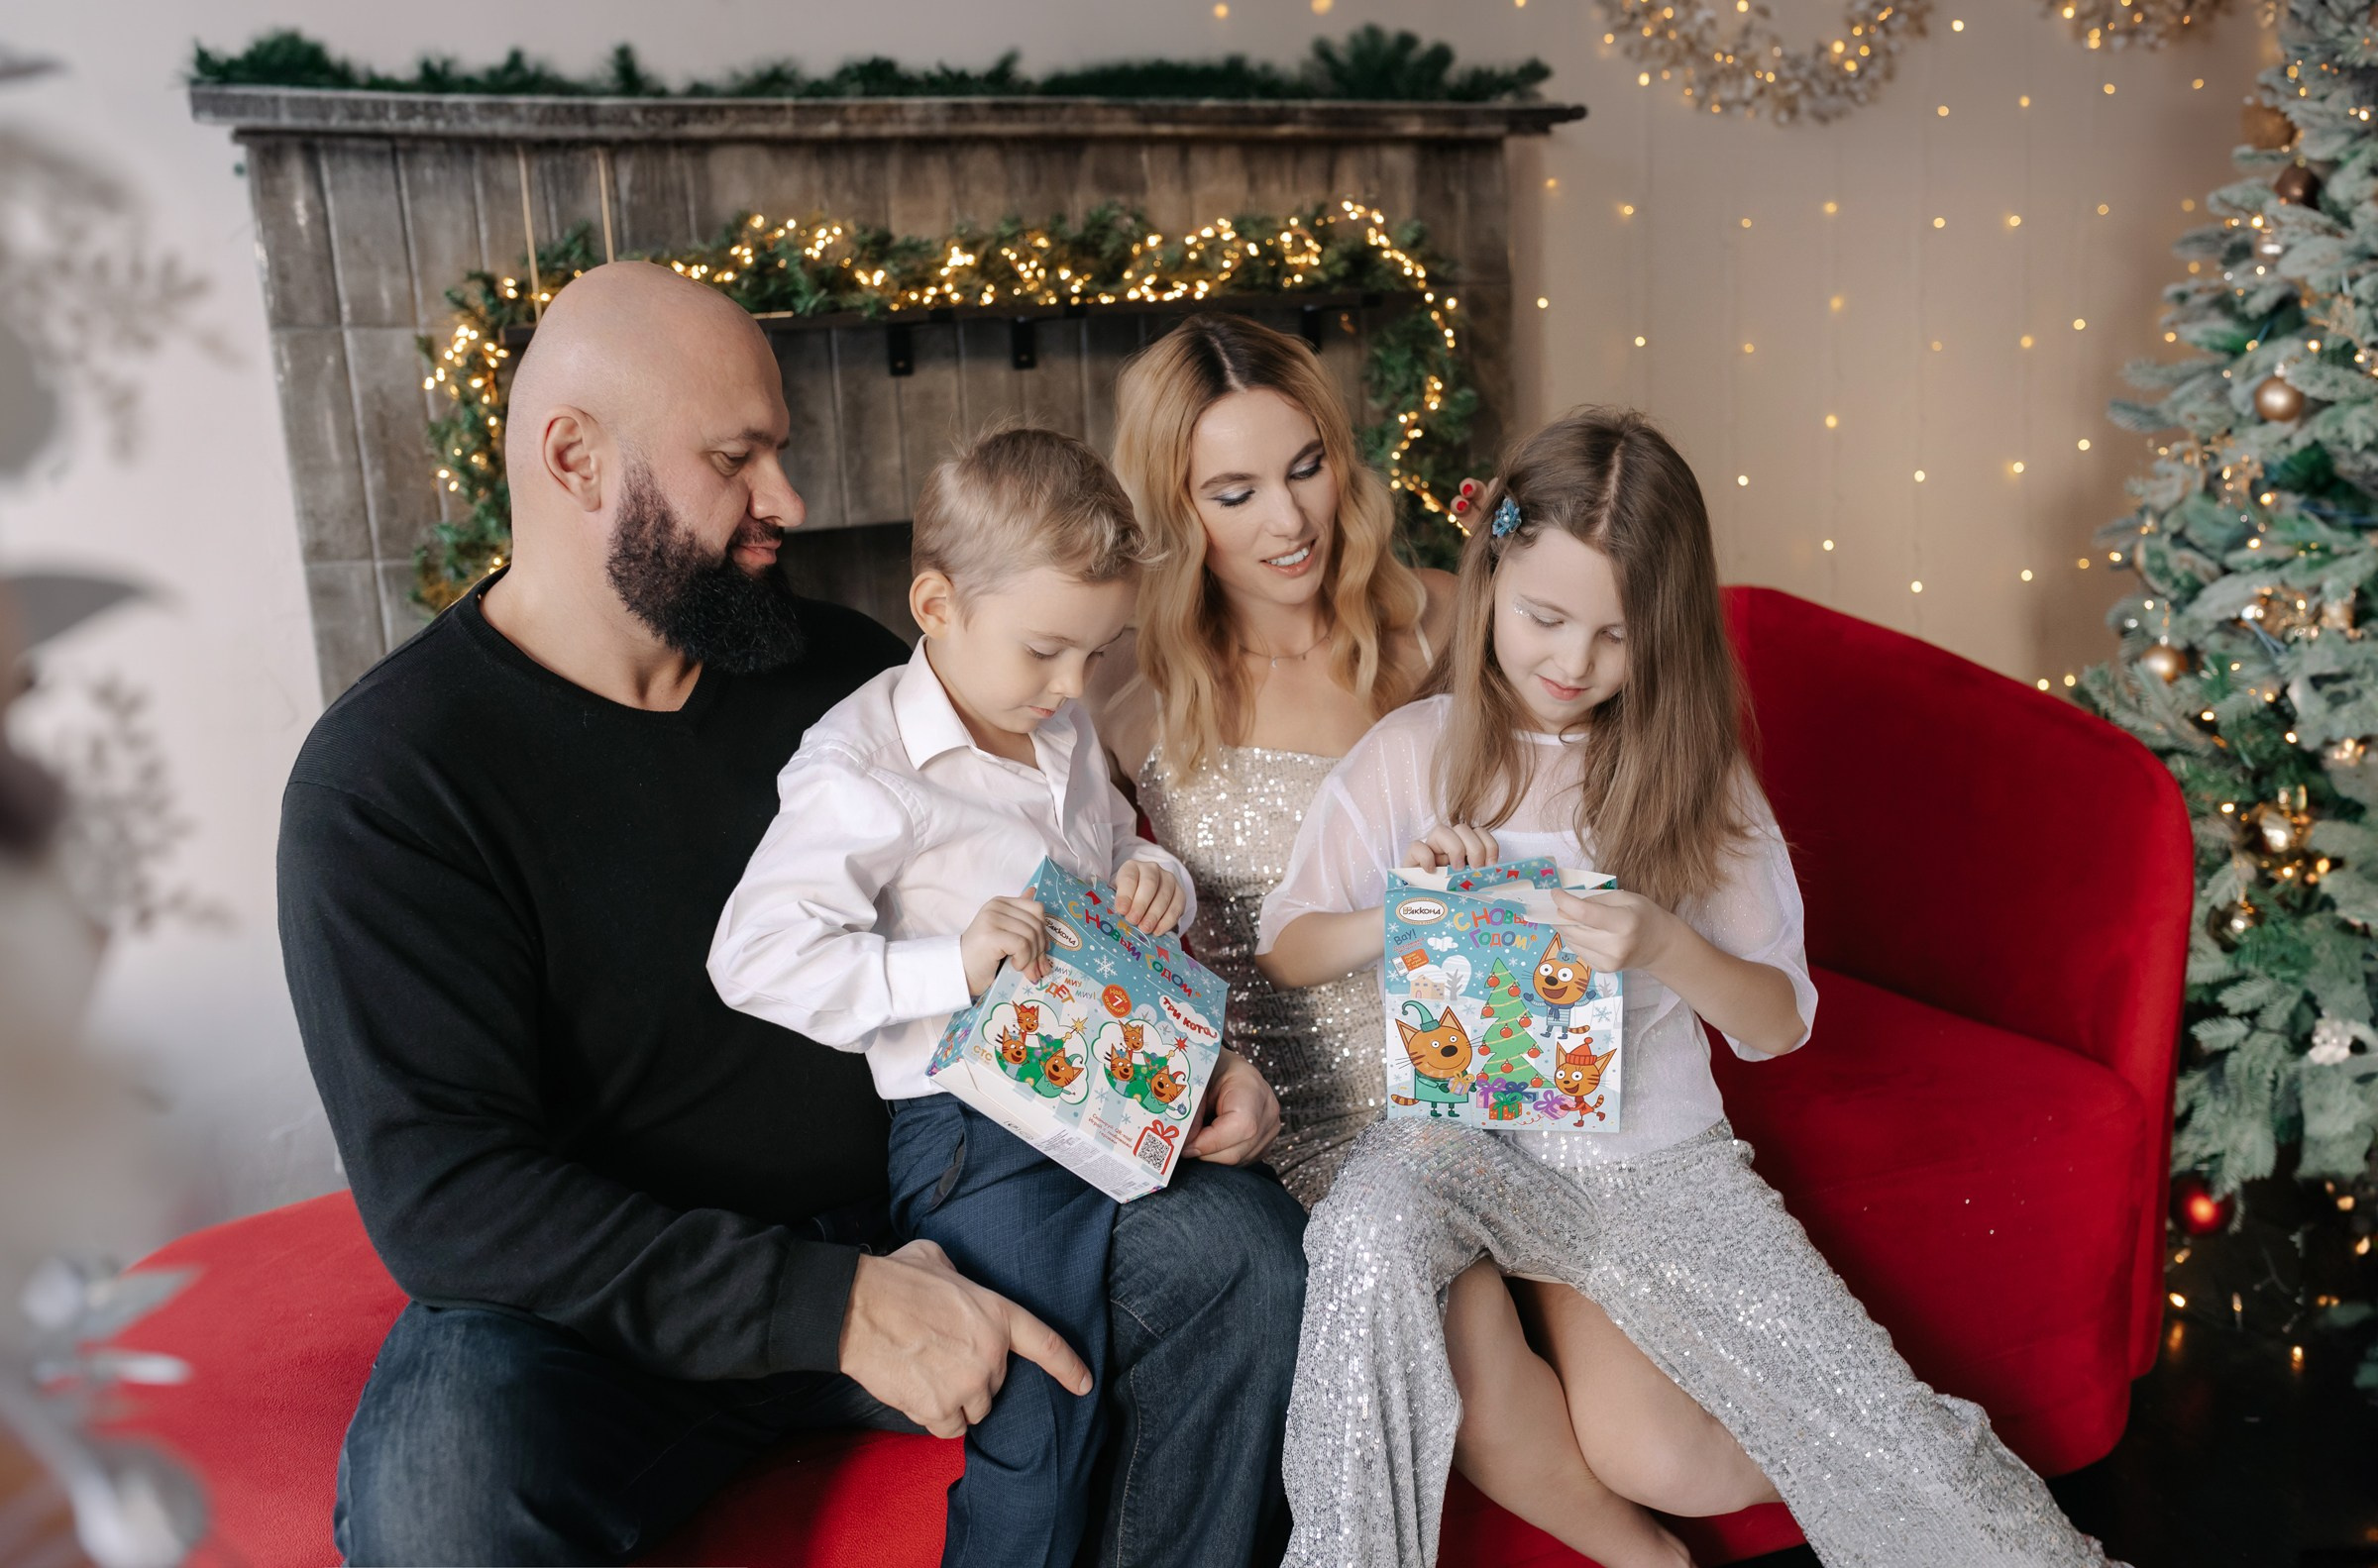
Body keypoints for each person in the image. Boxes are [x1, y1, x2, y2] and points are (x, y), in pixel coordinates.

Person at [278, 261, 1303, 1565]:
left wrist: (1196, 1062)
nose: (791, 502)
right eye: (736, 457)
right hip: (602, 1305)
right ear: (576, 457)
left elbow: (1044, 906)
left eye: (782, 450)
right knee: (441, 1493)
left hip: (929, 1206)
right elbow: (451, 1201)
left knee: (1248, 1258)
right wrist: (833, 1306)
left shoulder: (842, 669)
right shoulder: (391, 777)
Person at [1255, 408, 2126, 1568]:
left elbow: (1778, 1021)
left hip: (1647, 1163)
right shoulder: (1418, 749)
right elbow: (1289, 946)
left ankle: (1923, 1476)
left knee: (1661, 1453)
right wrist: (1408, 908)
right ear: (1492, 577)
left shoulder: (1691, 776)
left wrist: (1665, 943)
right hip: (1461, 1144)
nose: (1570, 664)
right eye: (1543, 619)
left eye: (1613, 637)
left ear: (1662, 636)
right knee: (1367, 1223)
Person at [706, 426, 1202, 1568]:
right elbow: (753, 955)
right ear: (935, 603)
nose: (1075, 687)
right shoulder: (860, 765)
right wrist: (949, 968)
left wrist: (1155, 878)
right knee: (1043, 1404)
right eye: (1045, 651)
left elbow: (1125, 841)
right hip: (972, 1124)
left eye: (1097, 651)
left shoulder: (1059, 724)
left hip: (1101, 1084)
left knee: (1260, 1272)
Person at [1090, 313, 1453, 1207]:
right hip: (1266, 1129)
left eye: (1307, 468)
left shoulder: (1443, 625)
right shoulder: (1117, 685)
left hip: (1469, 1079)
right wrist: (1209, 1064)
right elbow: (1094, 913)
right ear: (1176, 511)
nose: (1290, 520)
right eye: (1234, 492)